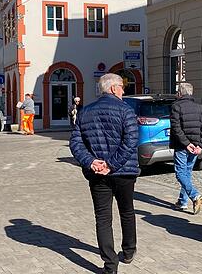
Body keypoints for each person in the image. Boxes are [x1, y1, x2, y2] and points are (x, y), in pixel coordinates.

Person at [69, 74, 139, 274]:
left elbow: (75, 142)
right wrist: (112, 164)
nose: (124, 91)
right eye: (122, 87)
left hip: (98, 172)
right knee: (126, 211)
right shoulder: (126, 110)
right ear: (114, 88)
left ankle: (110, 266)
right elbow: (131, 141)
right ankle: (128, 251)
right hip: (123, 170)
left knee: (103, 218)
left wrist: (91, 162)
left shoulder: (85, 111)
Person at [169, 82, 202, 214]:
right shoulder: (201, 108)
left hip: (182, 146)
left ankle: (195, 196)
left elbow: (176, 128)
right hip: (195, 146)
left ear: (180, 93)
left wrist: (186, 143)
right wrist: (200, 145)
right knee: (186, 174)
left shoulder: (176, 106)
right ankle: (182, 202)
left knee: (180, 173)